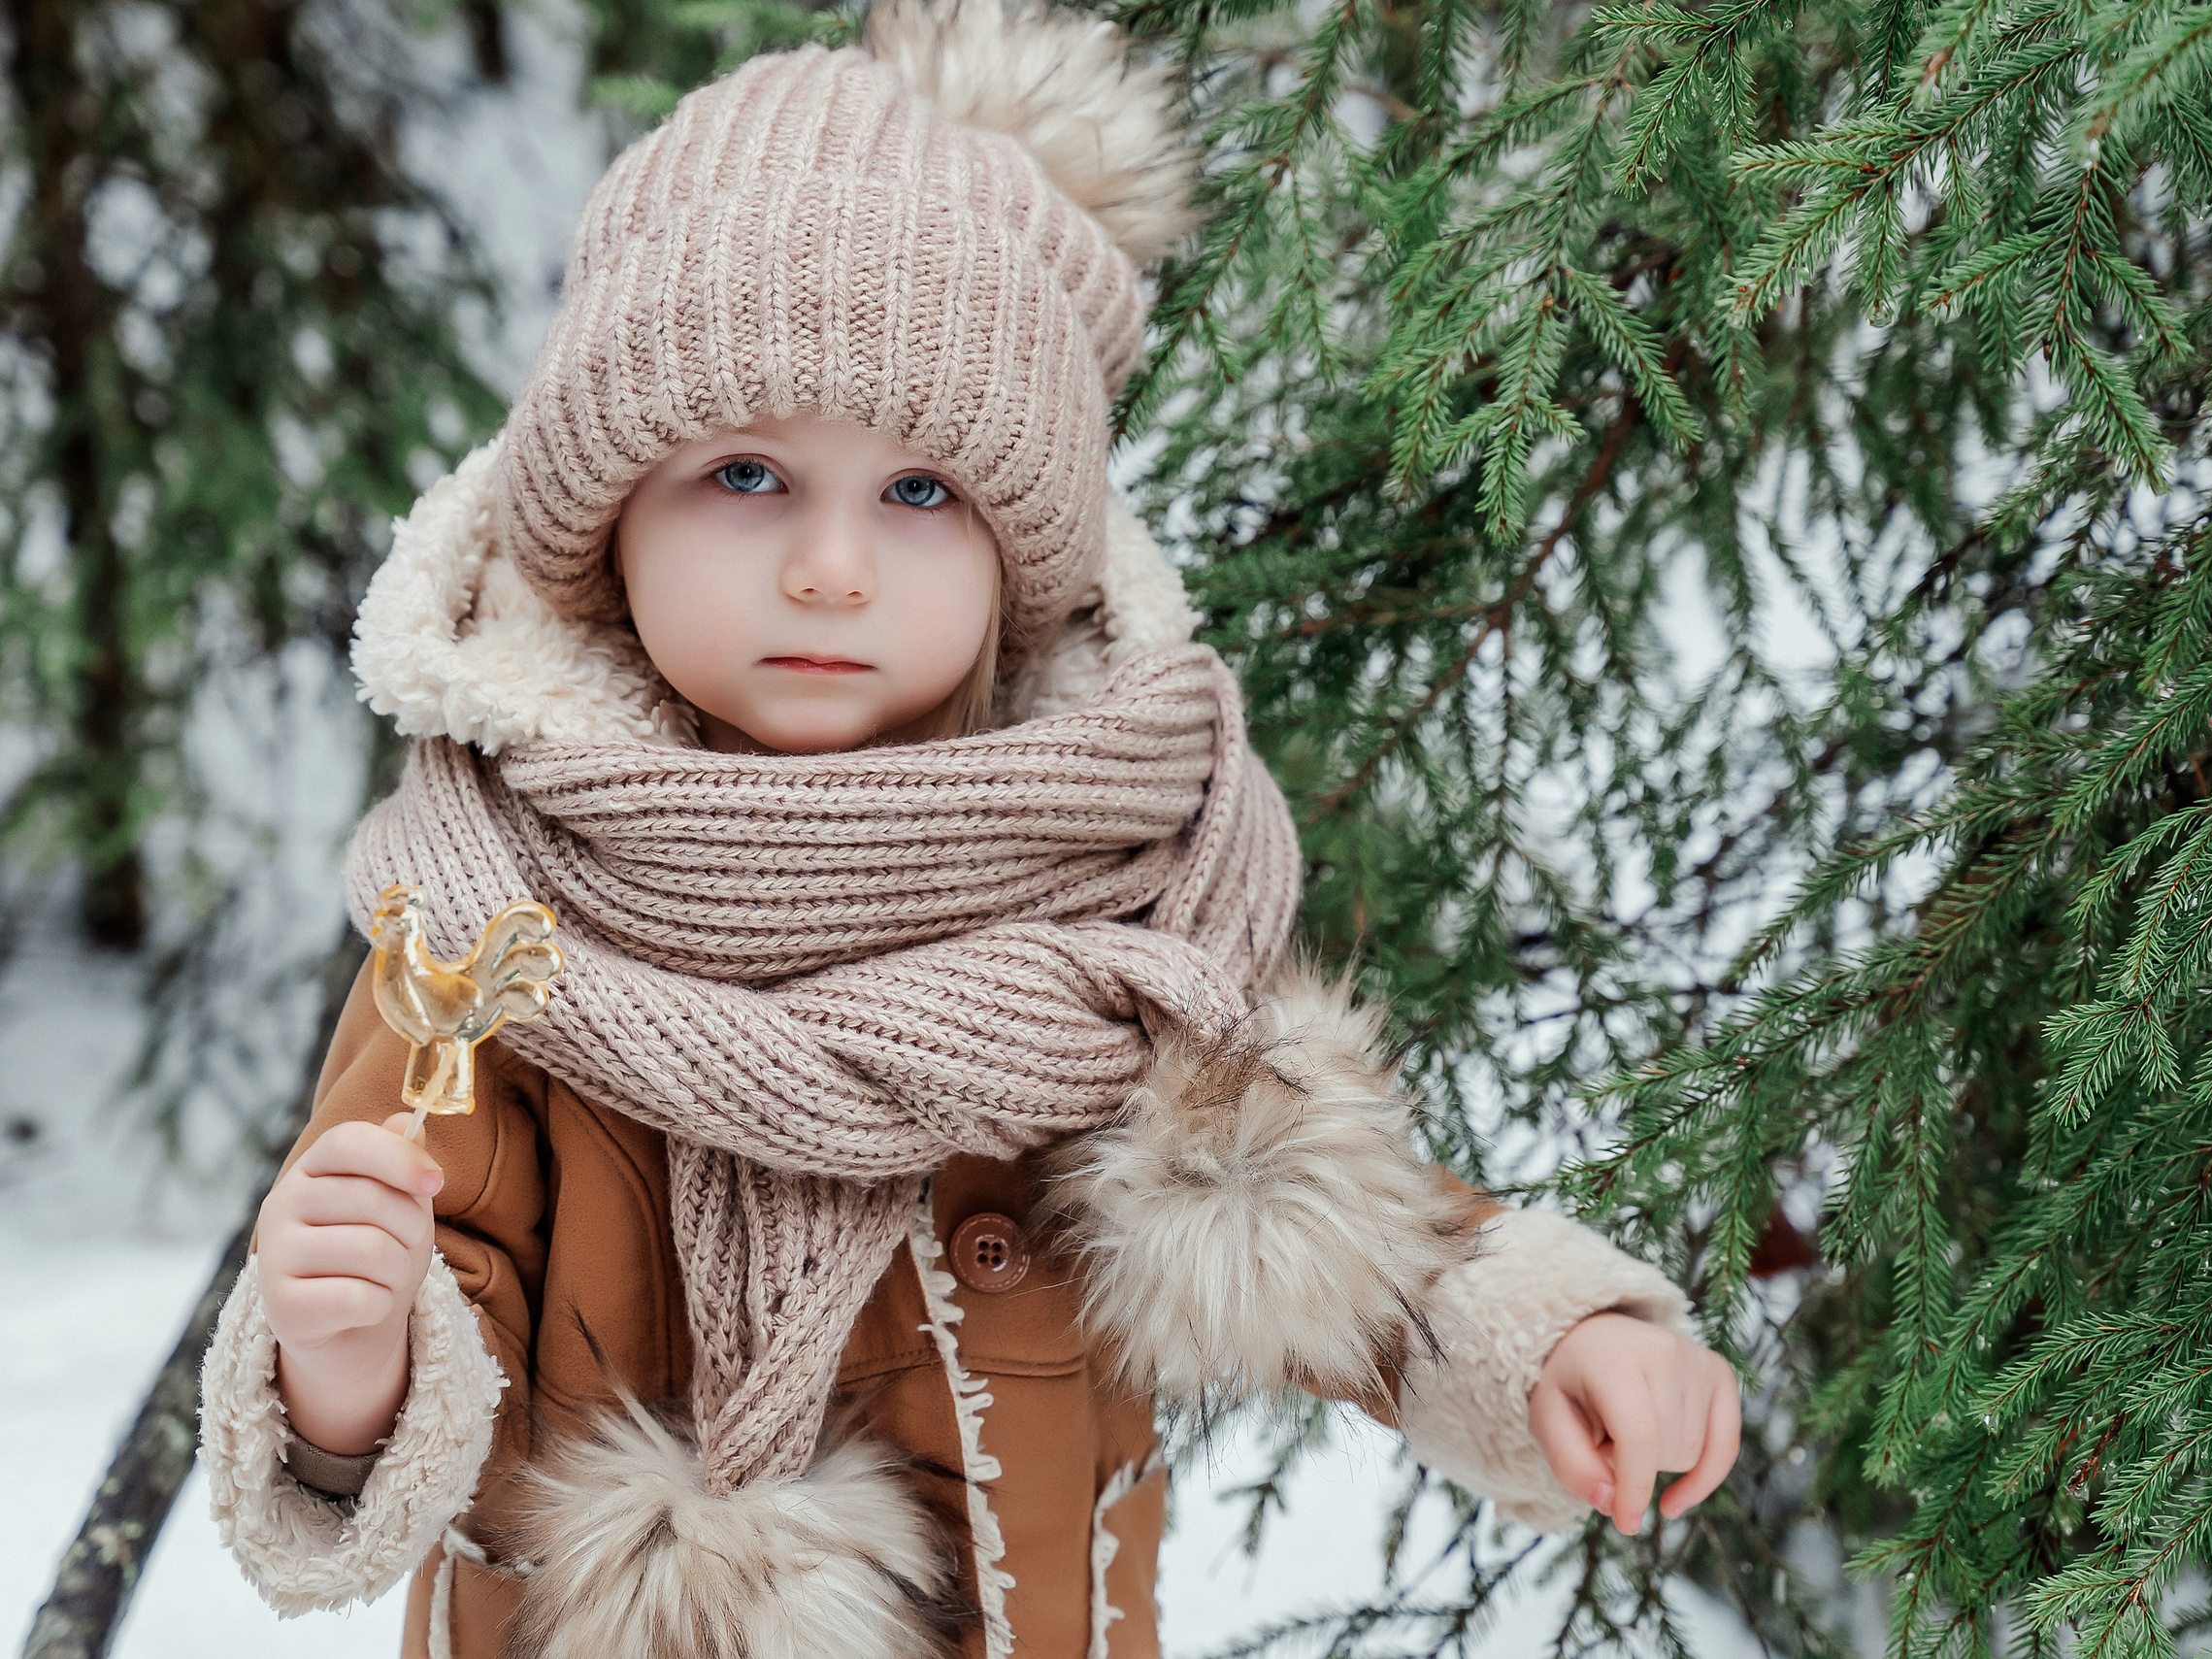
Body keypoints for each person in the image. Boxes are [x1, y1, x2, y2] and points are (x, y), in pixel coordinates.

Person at [193, 5, 1740, 1655]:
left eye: (921, 492)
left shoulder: (1112, 872)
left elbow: (1288, 1185)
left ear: (1021, 552)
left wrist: (1537, 1335)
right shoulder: (500, 916)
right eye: (745, 474)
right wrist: (345, 1359)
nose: (831, 569)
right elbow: (433, 1279)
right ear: (602, 516)